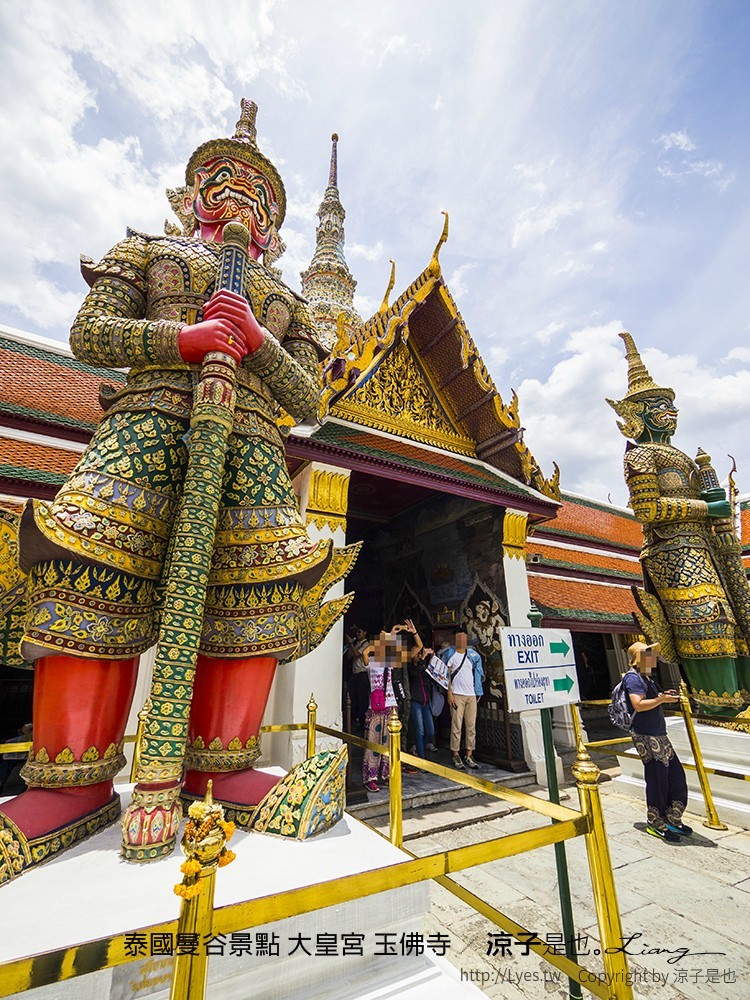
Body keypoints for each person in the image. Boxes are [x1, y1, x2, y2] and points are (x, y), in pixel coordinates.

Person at [0, 99, 336, 880]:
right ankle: (74, 781)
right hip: (149, 421)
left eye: (259, 191)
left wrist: (255, 341)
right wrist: (178, 340)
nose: (240, 196)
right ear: (190, 195)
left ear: (276, 226)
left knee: (258, 586)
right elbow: (92, 334)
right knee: (92, 564)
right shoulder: (147, 252)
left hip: (250, 441)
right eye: (224, 179)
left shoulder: (286, 301)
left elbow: (313, 400)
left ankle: (217, 766)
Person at [608, 332, 750, 712]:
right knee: (705, 619)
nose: (670, 411)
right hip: (670, 551)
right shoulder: (639, 457)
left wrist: (719, 522)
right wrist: (707, 511)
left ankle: (740, 697)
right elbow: (648, 510)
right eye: (658, 405)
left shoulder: (684, 458)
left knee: (735, 618)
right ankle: (717, 704)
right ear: (638, 415)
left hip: (705, 547)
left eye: (671, 404)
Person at [622, 641, 691, 842]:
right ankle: (655, 821)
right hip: (646, 735)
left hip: (659, 734)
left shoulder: (647, 678)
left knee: (675, 777)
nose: (652, 661)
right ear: (637, 659)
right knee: (657, 779)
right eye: (647, 656)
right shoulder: (633, 679)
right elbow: (638, 704)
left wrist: (663, 697)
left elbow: (653, 699)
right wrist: (661, 700)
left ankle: (671, 817)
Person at [440, 627, 484, 769]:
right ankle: (456, 754)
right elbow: (445, 676)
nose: (462, 641)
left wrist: (478, 691)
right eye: (459, 638)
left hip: (471, 694)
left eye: (464, 638)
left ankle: (469, 754)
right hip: (457, 694)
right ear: (455, 640)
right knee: (456, 725)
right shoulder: (450, 655)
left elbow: (478, 673)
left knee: (471, 726)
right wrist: (449, 693)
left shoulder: (473, 655)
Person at [362, 633, 400, 792]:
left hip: (391, 707)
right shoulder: (371, 662)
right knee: (373, 744)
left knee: (389, 744)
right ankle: (370, 778)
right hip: (375, 708)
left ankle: (387, 774)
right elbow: (364, 652)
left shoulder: (390, 662)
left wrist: (391, 635)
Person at [408, 648, 438, 759]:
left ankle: (417, 747)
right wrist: (423, 659)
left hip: (426, 702)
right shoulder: (410, 668)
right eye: (417, 654)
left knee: (430, 731)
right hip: (416, 702)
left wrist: (432, 659)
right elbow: (415, 674)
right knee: (419, 730)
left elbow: (434, 677)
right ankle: (422, 758)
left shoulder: (424, 667)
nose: (419, 655)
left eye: (420, 653)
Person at [344, 626, 371, 731]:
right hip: (354, 674)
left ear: (365, 632)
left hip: (362, 674)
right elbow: (349, 657)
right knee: (353, 699)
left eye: (359, 631)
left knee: (362, 700)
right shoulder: (356, 644)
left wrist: (351, 644)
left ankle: (362, 723)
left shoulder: (366, 644)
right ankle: (353, 721)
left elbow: (356, 654)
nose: (357, 634)